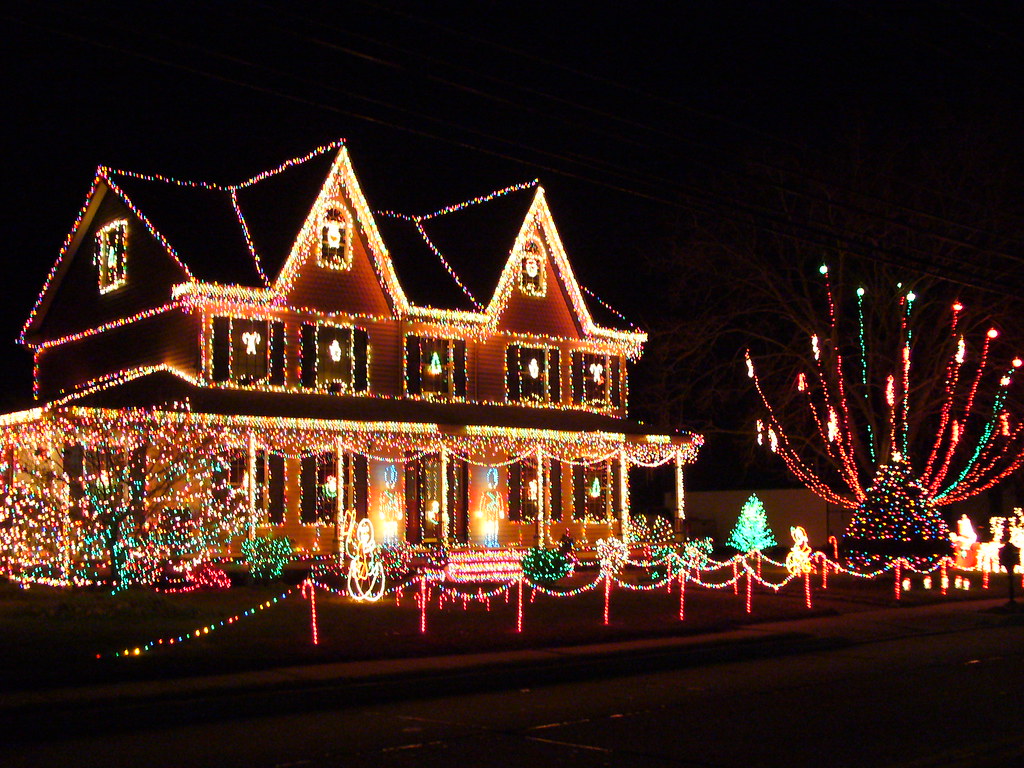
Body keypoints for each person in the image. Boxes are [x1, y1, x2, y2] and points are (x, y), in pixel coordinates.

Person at [998, 520, 1020, 604]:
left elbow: (1002, 555)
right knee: (1011, 578)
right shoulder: (1009, 548)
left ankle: (1012, 598)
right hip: (1009, 563)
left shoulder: (1007, 548)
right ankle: (1011, 597)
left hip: (1009, 563)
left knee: (1011, 578)